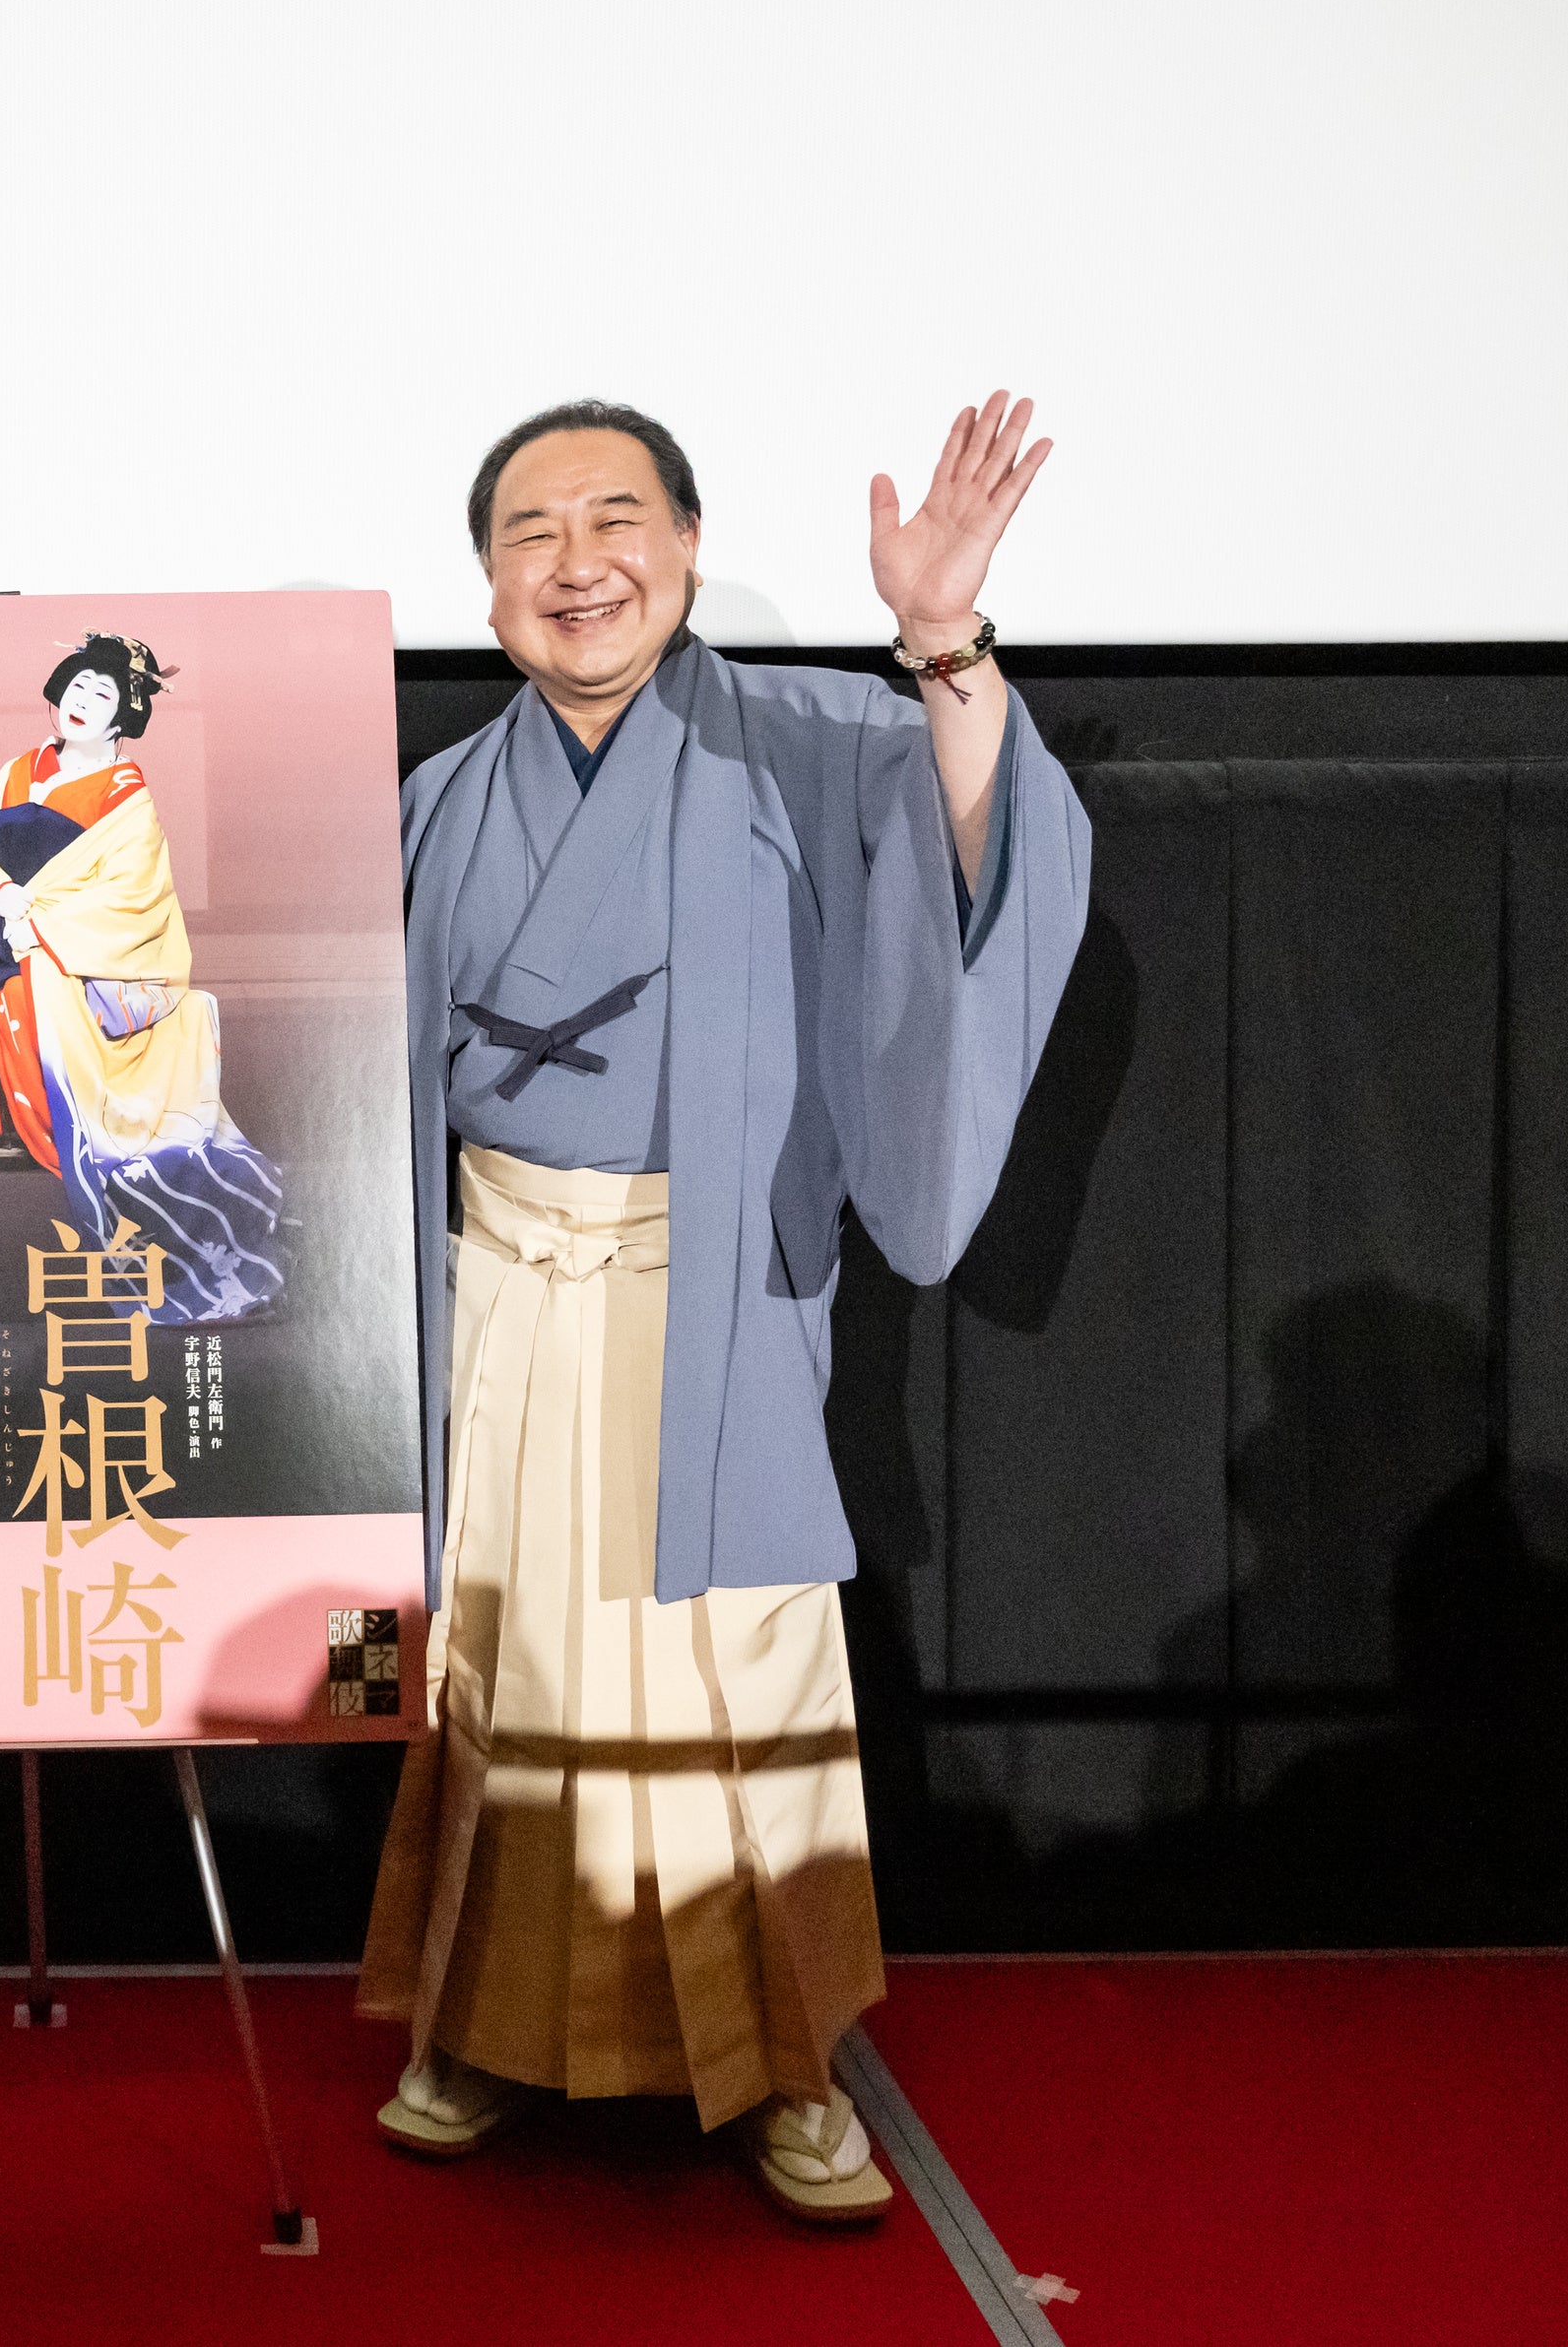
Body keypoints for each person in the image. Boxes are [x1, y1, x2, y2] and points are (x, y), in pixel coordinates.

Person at [360, 394, 1088, 2222]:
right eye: (531, 532)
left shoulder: (817, 740)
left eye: (617, 519)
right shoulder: (436, 804)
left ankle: (780, 2058)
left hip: (714, 1304)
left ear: (687, 547)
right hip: (496, 1294)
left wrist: (944, 639)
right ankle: (480, 2019)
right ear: (485, 582)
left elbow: (981, 853)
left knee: (732, 1668)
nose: (577, 563)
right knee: (498, 1659)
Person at [0, 633, 284, 1322]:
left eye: (103, 693)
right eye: (76, 687)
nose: (83, 701)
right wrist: (1, 898)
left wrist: (42, 928)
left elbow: (132, 896)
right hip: (4, 929)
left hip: (71, 959)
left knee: (24, 999)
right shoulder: (17, 770)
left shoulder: (127, 795)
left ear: (124, 716)